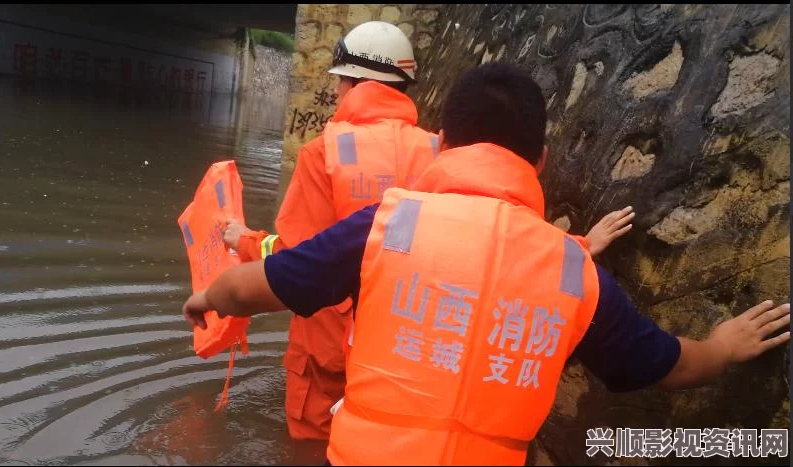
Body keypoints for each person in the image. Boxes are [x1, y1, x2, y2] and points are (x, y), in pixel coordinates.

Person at [185, 63, 790, 465]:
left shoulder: (387, 223)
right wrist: (722, 348)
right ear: (543, 158)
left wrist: (206, 298)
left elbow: (255, 287)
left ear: (443, 142)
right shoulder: (575, 273)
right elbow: (667, 365)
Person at [223, 21, 442, 442]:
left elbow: (296, 254)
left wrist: (244, 240)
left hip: (328, 341)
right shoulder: (439, 152)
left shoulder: (325, 151)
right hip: (406, 343)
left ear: (349, 83)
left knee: (316, 442)